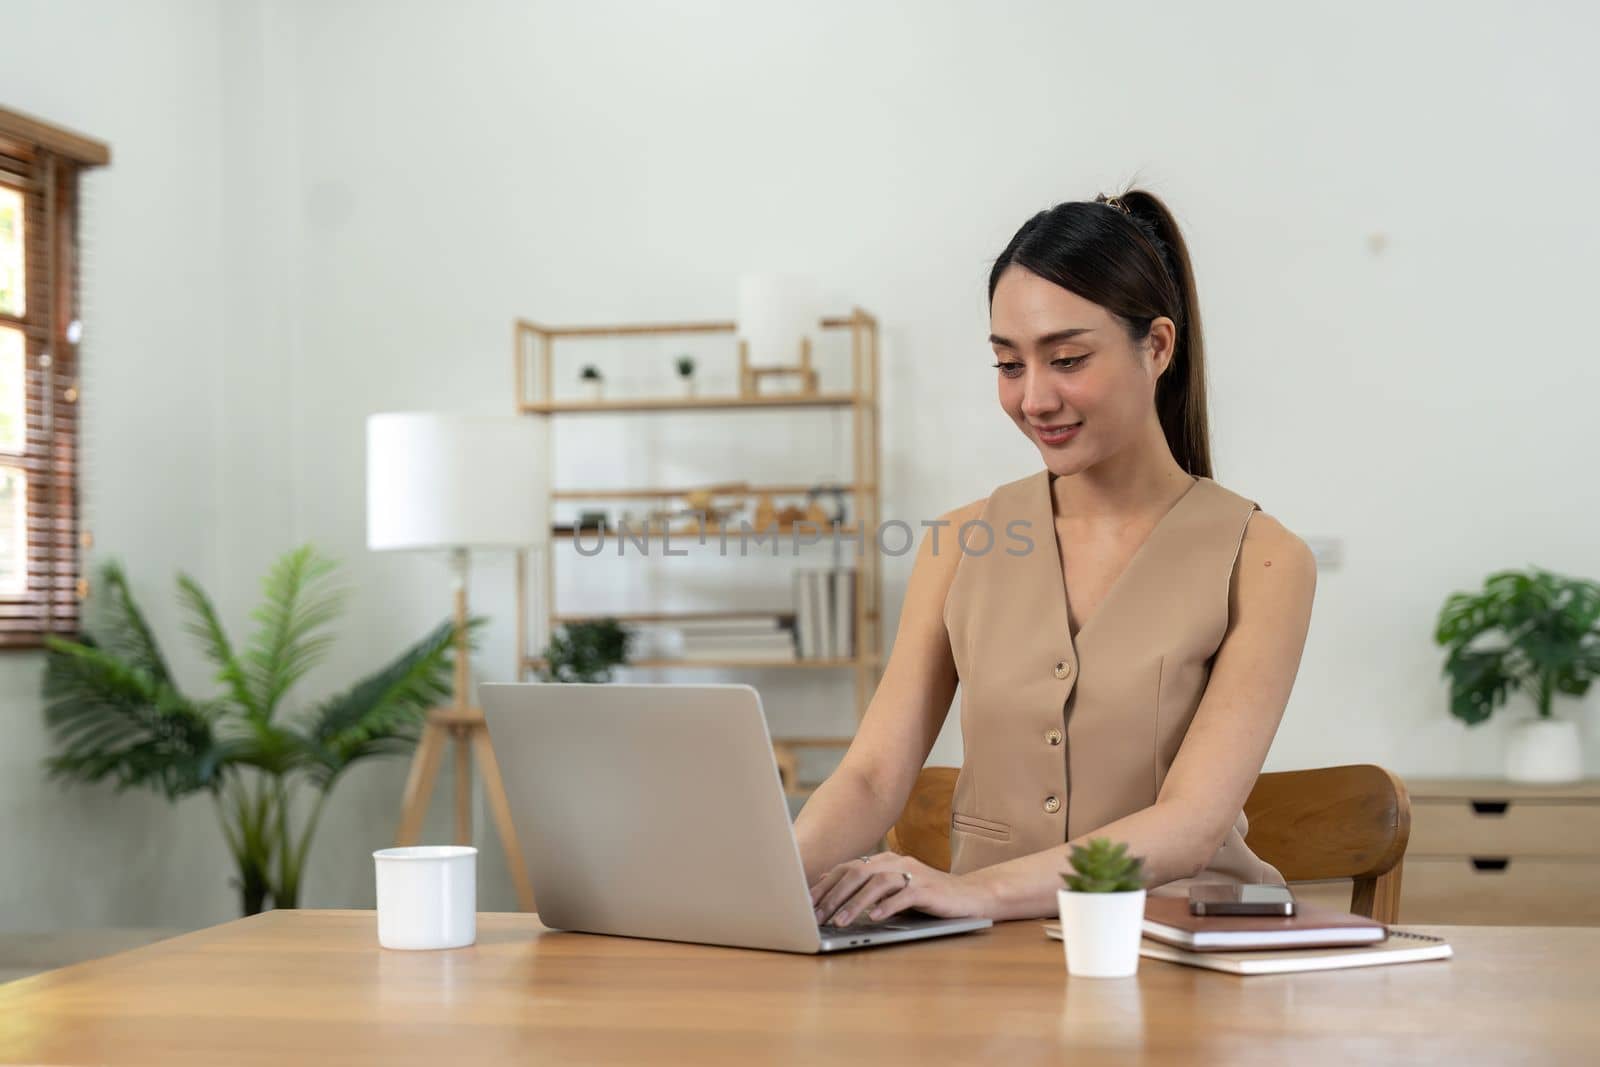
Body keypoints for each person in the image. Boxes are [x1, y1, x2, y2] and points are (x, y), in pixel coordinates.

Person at [796, 189, 1317, 926]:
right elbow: (874, 775)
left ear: (1158, 346)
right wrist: (765, 879)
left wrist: (971, 891)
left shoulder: (1265, 560)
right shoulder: (960, 543)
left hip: (1187, 960)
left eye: (1067, 358)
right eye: (1009, 365)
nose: (1035, 398)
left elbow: (1192, 825)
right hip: (988, 978)